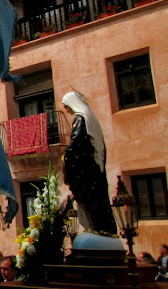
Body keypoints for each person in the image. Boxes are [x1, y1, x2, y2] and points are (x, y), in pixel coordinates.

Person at [62, 91, 117, 235]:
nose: (66, 109)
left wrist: (65, 155)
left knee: (89, 207)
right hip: (95, 172)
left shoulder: (80, 119)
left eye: (66, 106)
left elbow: (76, 145)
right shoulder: (90, 121)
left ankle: (95, 233)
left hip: (86, 174)